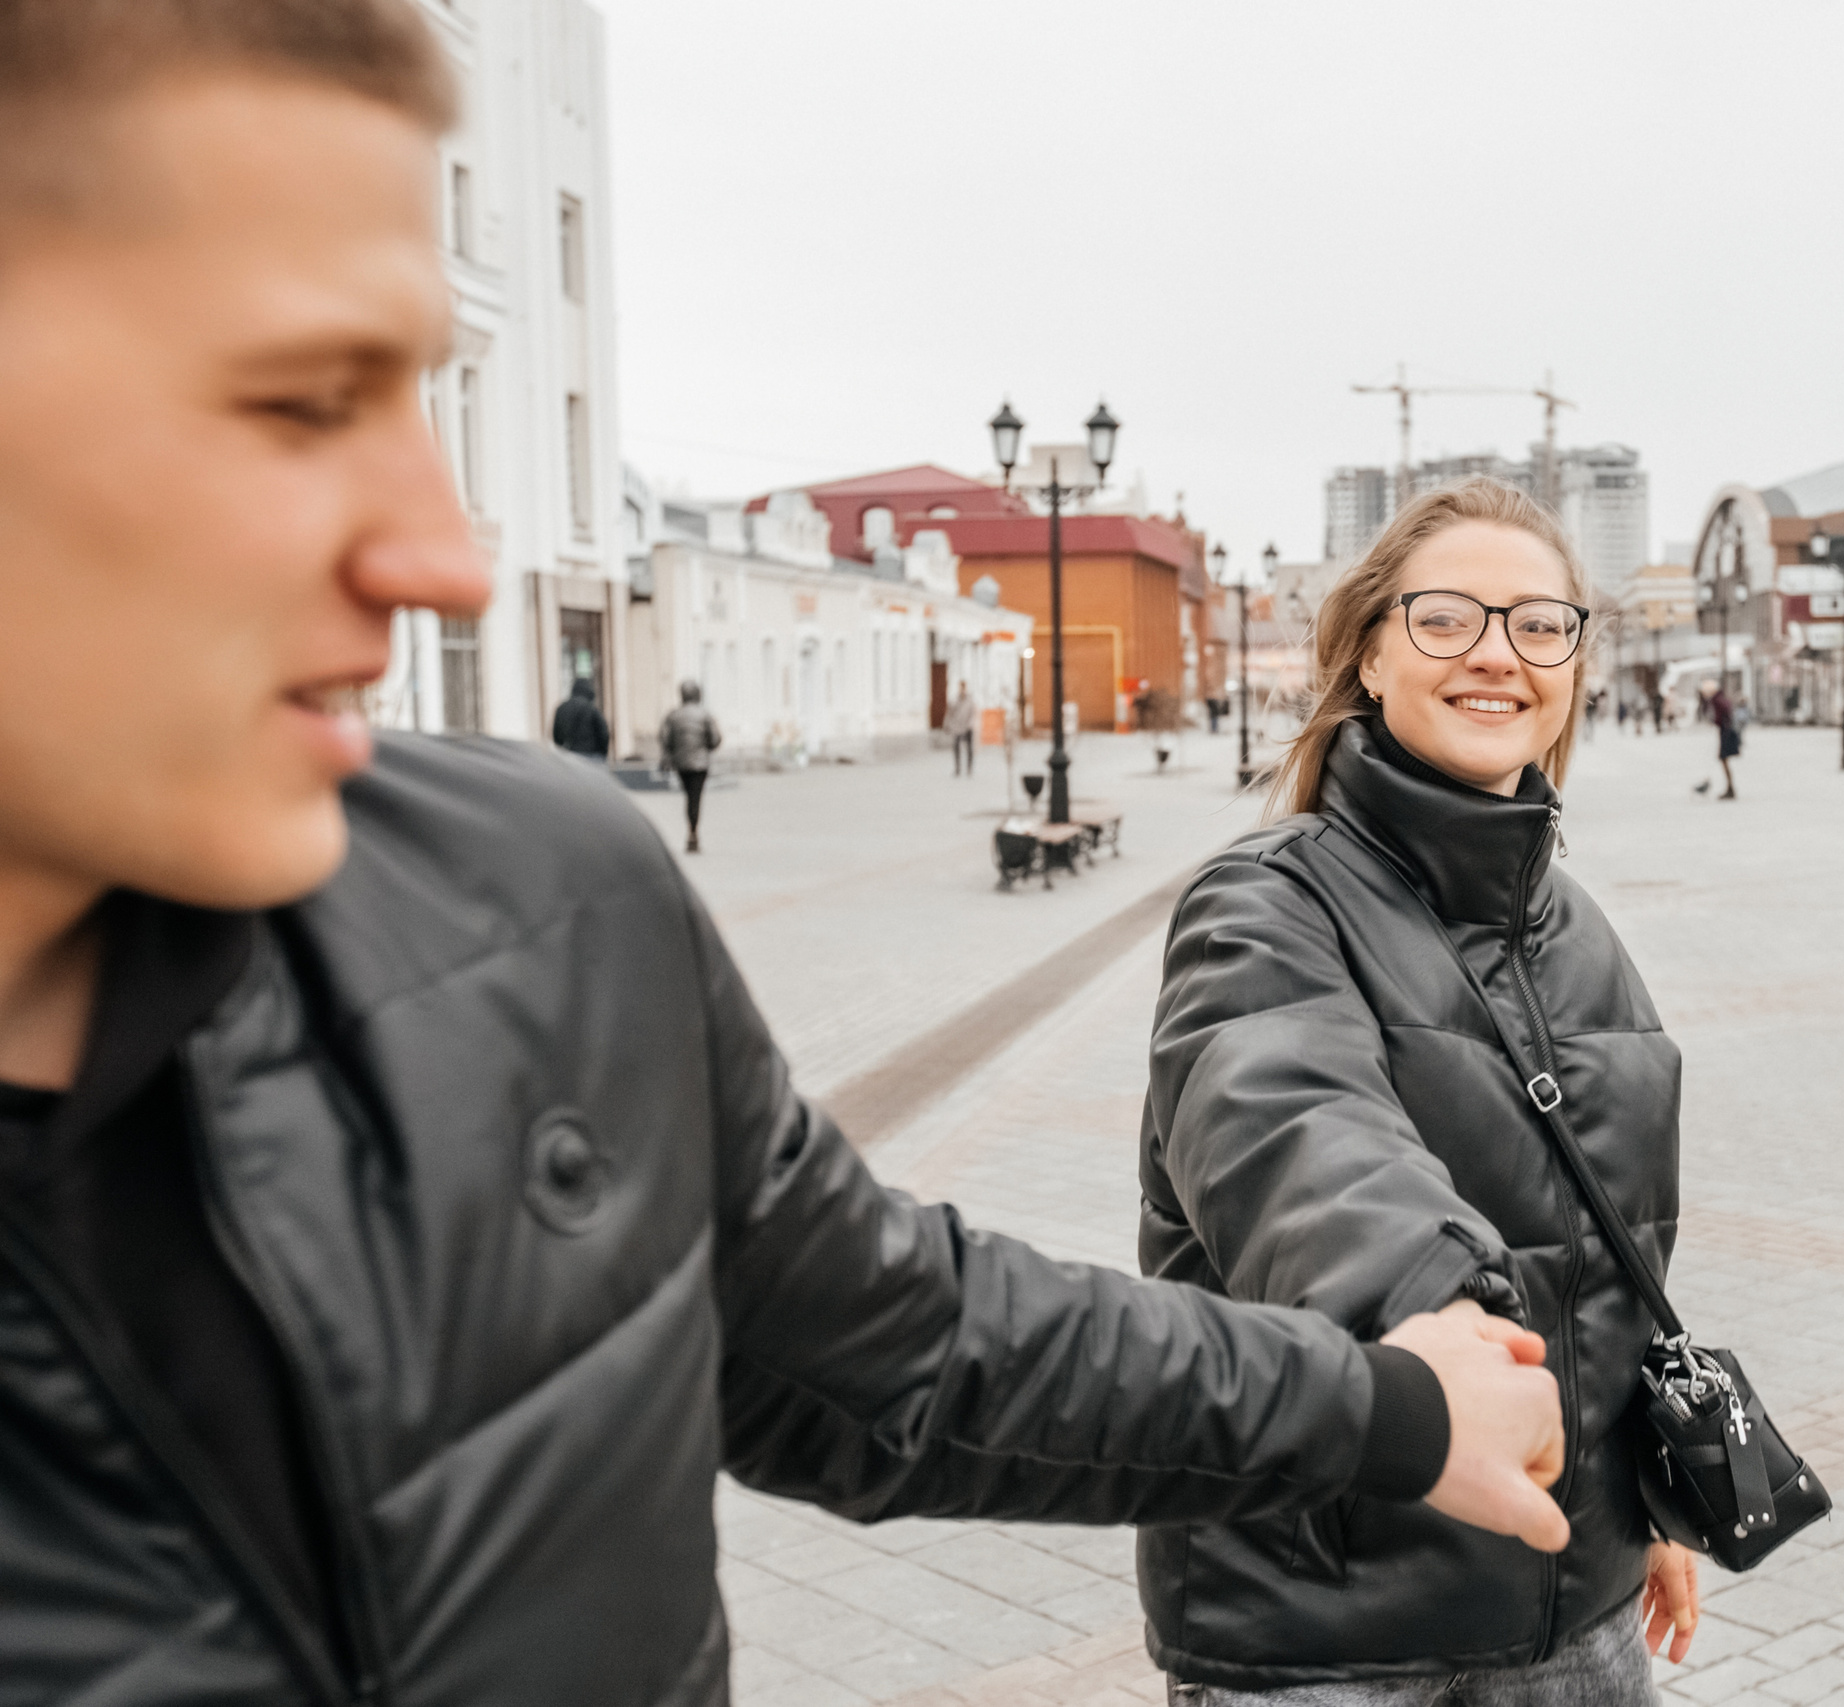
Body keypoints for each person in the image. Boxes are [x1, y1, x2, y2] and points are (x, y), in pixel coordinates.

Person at [0, 11, 1574, 1702]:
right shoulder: (1272, 901)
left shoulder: (540, 910)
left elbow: (903, 1348)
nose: (446, 556)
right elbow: (1294, 1124)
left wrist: (1395, 1411)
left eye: (427, 392)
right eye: (300, 399)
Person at [1138, 478, 1696, 1703]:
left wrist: (1649, 1488)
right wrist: (1433, 1303)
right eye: (1448, 619)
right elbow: (1291, 1134)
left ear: (1572, 669)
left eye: (1538, 625)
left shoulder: (1581, 933)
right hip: (1332, 1620)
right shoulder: (1267, 905)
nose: (1497, 655)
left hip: (1576, 1608)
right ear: (1370, 654)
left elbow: (1617, 1261)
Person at [659, 679, 722, 852]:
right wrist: (705, 747)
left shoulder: (673, 715)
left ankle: (692, 829)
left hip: (681, 764)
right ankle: (693, 831)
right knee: (695, 798)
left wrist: (671, 755)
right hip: (700, 764)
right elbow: (715, 739)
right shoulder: (704, 715)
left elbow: (665, 739)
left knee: (690, 796)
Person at [1693, 681, 1740, 800]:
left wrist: (1718, 722)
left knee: (1724, 759)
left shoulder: (1716, 700)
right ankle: (1730, 788)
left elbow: (1717, 718)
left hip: (1725, 732)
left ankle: (1731, 789)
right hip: (1728, 731)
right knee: (1724, 760)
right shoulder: (1721, 697)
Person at [551, 673, 610, 758]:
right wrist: (603, 752)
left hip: (569, 756)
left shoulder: (561, 708)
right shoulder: (590, 708)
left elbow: (556, 735)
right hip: (591, 755)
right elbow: (603, 732)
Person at [945, 680, 975, 777]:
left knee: (969, 749)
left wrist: (970, 724)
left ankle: (969, 769)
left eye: (963, 687)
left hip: (968, 727)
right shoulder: (955, 700)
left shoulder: (970, 700)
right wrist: (947, 724)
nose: (962, 689)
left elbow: (973, 713)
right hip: (957, 727)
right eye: (960, 687)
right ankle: (957, 769)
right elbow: (949, 713)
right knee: (956, 748)